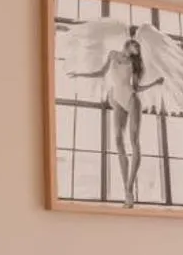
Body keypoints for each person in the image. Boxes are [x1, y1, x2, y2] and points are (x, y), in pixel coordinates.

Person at [70, 30, 165, 207]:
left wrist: (154, 83)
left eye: (138, 48)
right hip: (117, 98)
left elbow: (136, 87)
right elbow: (100, 72)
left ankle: (130, 187)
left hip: (131, 98)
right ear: (128, 44)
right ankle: (127, 191)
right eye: (135, 45)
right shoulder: (113, 55)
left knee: (134, 141)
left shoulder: (135, 64)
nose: (137, 49)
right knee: (118, 140)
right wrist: (80, 74)